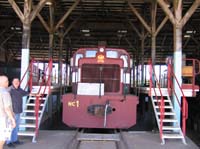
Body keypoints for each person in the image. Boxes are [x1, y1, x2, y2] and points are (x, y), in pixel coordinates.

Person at [6, 78, 31, 147]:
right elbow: (6, 102)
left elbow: (27, 93)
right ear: (12, 82)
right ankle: (8, 142)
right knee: (10, 127)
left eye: (18, 81)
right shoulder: (9, 90)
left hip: (18, 111)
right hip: (12, 112)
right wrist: (10, 112)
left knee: (16, 127)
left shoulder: (19, 90)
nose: (16, 82)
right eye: (15, 81)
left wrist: (36, 94)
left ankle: (15, 140)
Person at [0, 75, 16, 149]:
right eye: (7, 81)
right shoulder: (5, 93)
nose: (8, 83)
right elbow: (7, 108)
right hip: (3, 118)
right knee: (2, 138)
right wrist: (12, 119)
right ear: (5, 82)